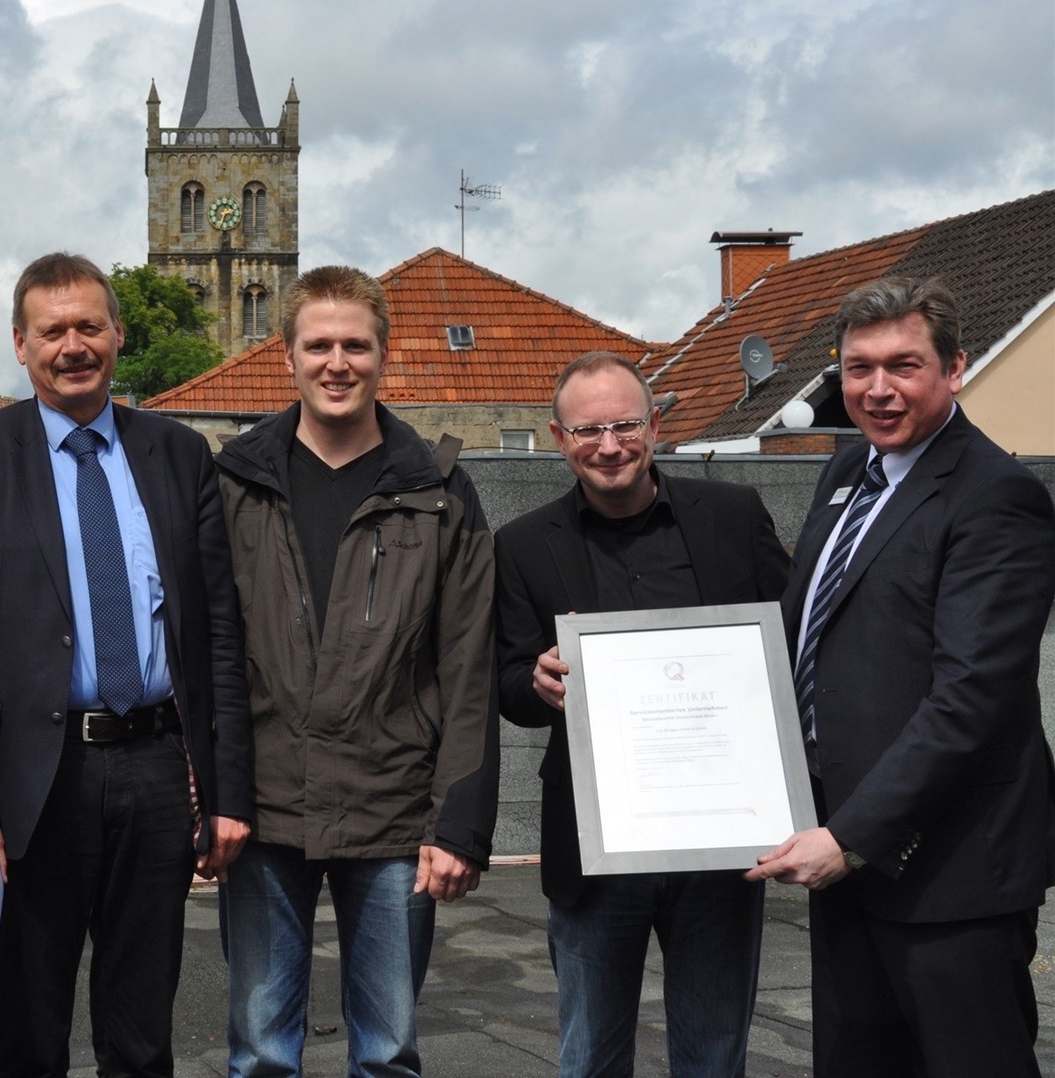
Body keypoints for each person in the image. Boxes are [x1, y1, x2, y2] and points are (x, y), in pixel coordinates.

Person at [0, 252, 251, 1076]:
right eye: (52, 330)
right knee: (28, 1032)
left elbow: (218, 631)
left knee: (141, 1033)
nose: (73, 345)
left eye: (88, 326)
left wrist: (230, 790)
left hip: (155, 769)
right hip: (34, 780)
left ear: (117, 334)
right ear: (21, 346)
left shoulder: (177, 454)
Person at [747, 278, 1055, 1075]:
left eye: (903, 366)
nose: (877, 390)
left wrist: (851, 837)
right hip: (848, 859)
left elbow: (971, 699)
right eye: (858, 368)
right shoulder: (846, 476)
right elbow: (804, 633)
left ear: (954, 368)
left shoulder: (998, 498)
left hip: (948, 872)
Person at [213, 265, 498, 1077]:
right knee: (262, 1052)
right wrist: (216, 797)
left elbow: (468, 664)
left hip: (394, 811)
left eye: (356, 346)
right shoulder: (235, 483)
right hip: (265, 811)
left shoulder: (440, 489)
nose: (338, 363)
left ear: (384, 355)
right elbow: (210, 650)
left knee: (387, 1052)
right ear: (288, 356)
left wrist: (460, 823)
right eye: (319, 345)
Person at [494, 350, 789, 1075]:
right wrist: (534, 681)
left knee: (715, 1055)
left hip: (721, 845)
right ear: (558, 439)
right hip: (598, 850)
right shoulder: (524, 545)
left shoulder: (732, 515)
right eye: (588, 430)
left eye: (625, 424)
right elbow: (501, 680)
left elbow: (790, 644)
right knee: (591, 1055)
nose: (609, 445)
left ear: (655, 425)